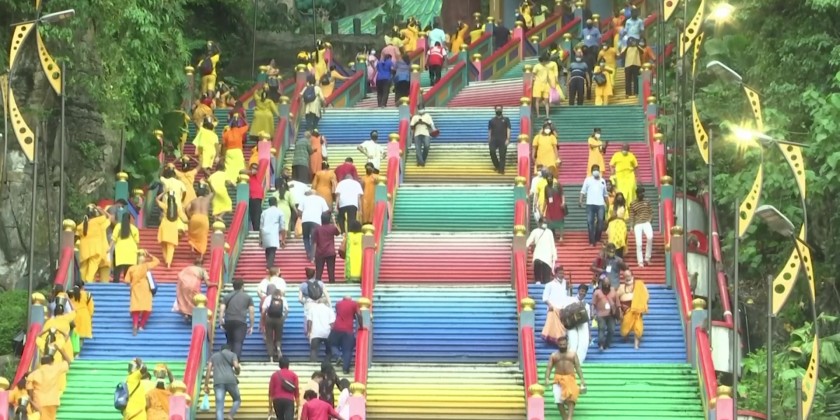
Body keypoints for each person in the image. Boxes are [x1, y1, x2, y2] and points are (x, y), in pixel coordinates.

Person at [26, 344, 71, 420]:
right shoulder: (56, 369)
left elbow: (30, 390)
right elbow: (68, 362)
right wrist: (59, 349)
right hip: (53, 402)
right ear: (52, 362)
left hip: (39, 402)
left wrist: (31, 403)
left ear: (41, 363)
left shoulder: (33, 374)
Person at [544, 337, 585, 420]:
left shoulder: (573, 354)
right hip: (558, 380)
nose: (562, 346)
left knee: (571, 398)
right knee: (558, 400)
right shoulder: (554, 355)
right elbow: (549, 368)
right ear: (558, 345)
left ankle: (569, 418)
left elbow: (577, 367)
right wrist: (547, 378)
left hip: (570, 379)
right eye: (560, 345)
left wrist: (582, 379)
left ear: (567, 344)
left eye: (564, 344)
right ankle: (564, 418)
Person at [124, 250, 159, 336]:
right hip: (145, 289)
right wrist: (150, 255)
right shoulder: (146, 266)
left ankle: (135, 325)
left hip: (135, 289)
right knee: (147, 308)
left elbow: (127, 281)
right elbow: (157, 261)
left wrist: (133, 282)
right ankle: (141, 326)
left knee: (136, 308)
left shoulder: (131, 268)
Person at [203, 345, 242, 420]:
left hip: (218, 382)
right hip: (231, 380)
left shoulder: (214, 356)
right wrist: (238, 371)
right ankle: (230, 415)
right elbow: (236, 366)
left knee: (219, 407)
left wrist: (206, 385)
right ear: (229, 349)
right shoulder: (232, 355)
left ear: (220, 350)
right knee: (237, 399)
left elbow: (208, 369)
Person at [220, 279, 255, 359]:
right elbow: (251, 312)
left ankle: (228, 359)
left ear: (233, 287)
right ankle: (235, 360)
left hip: (228, 321)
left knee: (229, 341)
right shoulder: (248, 297)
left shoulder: (226, 296)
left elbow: (222, 310)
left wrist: (221, 322)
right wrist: (251, 325)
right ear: (242, 286)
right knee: (238, 342)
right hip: (240, 322)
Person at [77, 204, 111, 282]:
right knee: (92, 268)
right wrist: (98, 209)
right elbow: (107, 217)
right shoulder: (99, 222)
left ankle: (82, 282)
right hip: (96, 250)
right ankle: (88, 282)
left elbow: (77, 235)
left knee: (84, 268)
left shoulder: (81, 225)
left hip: (84, 250)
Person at [617, 270, 649, 349]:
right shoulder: (621, 287)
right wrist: (619, 310)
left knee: (638, 326)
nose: (627, 278)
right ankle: (625, 337)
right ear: (623, 277)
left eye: (628, 276)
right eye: (625, 276)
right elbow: (616, 298)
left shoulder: (640, 285)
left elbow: (646, 296)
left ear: (632, 275)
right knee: (624, 330)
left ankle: (636, 344)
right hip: (626, 310)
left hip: (637, 310)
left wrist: (641, 304)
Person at [579, 164, 609, 247]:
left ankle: (597, 238)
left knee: (600, 222)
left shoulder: (602, 181)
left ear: (599, 171)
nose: (596, 171)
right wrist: (580, 201)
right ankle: (592, 241)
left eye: (597, 169)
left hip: (600, 205)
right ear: (592, 171)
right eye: (594, 169)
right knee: (590, 222)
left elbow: (605, 194)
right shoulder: (588, 180)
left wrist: (608, 204)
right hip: (590, 204)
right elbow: (583, 191)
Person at [330, 295, 361, 374]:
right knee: (347, 350)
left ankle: (338, 356)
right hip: (348, 330)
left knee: (332, 344)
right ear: (350, 299)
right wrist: (361, 325)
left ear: (343, 299)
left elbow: (340, 313)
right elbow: (358, 315)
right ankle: (345, 369)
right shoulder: (354, 304)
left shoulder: (338, 304)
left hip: (336, 328)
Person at [541, 266, 571, 343]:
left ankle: (561, 340)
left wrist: (570, 288)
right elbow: (545, 298)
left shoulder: (566, 283)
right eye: (560, 273)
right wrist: (550, 305)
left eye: (563, 273)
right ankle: (554, 339)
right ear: (556, 274)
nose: (562, 275)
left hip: (563, 308)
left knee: (562, 326)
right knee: (553, 326)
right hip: (553, 308)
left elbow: (568, 296)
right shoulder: (549, 284)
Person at [299, 189, 330, 261]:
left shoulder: (304, 199)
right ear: (316, 193)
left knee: (306, 237)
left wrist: (301, 216)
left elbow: (299, 211)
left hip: (305, 220)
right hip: (316, 220)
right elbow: (326, 211)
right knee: (314, 239)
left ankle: (308, 253)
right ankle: (312, 256)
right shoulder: (321, 199)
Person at [185, 183, 213, 263]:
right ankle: (201, 256)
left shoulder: (193, 201)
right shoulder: (207, 199)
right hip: (204, 218)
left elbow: (187, 209)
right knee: (203, 237)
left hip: (195, 217)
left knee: (192, 235)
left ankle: (193, 246)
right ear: (204, 193)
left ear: (196, 193)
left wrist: (190, 216)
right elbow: (212, 192)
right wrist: (208, 185)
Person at [592, 276, 620, 351]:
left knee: (612, 330)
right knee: (601, 329)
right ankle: (601, 344)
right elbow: (593, 304)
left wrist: (619, 314)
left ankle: (607, 344)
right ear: (602, 284)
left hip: (611, 315)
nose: (607, 285)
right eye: (605, 283)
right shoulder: (597, 292)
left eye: (608, 283)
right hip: (600, 315)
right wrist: (592, 313)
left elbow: (618, 304)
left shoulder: (614, 292)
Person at [312, 213, 341, 283]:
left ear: (321, 219)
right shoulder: (332, 228)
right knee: (331, 272)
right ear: (329, 220)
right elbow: (339, 232)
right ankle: (332, 285)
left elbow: (315, 243)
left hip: (320, 253)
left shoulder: (317, 229)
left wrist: (313, 255)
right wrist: (334, 222)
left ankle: (317, 286)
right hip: (330, 252)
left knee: (319, 272)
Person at [262, 286, 289, 362]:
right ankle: (278, 348)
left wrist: (263, 320)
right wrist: (284, 318)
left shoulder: (268, 298)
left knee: (269, 338)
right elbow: (287, 310)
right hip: (279, 319)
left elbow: (263, 310)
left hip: (269, 319)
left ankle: (271, 357)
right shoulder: (283, 299)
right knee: (278, 337)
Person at [111, 212, 140, 281]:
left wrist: (109, 248)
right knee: (128, 272)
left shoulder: (118, 226)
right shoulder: (134, 229)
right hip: (131, 252)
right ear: (129, 219)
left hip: (119, 251)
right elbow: (137, 242)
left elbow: (113, 239)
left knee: (117, 271)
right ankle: (127, 284)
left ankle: (116, 283)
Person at [261, 196, 288, 269]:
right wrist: (283, 239)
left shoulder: (264, 212)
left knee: (267, 249)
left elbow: (261, 226)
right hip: (273, 233)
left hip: (265, 232)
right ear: (276, 203)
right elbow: (282, 226)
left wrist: (260, 238)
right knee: (272, 250)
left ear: (269, 203)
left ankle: (269, 264)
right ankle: (269, 266)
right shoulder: (279, 212)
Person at [526, 219, 556, 284]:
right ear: (539, 223)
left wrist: (554, 256)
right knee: (537, 271)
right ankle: (537, 282)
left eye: (546, 222)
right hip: (538, 254)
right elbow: (528, 242)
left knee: (546, 278)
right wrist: (522, 247)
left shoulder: (549, 232)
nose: (545, 224)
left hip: (547, 256)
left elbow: (552, 245)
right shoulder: (535, 231)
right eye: (544, 222)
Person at [629, 187, 653, 267]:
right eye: (640, 193)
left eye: (642, 193)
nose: (641, 194)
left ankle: (647, 258)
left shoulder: (647, 201)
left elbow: (651, 212)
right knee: (639, 243)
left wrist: (650, 220)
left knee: (650, 237)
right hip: (637, 224)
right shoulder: (633, 203)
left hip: (646, 222)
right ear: (637, 194)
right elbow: (631, 215)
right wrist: (631, 226)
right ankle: (640, 262)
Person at [566, 284, 591, 363]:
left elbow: (588, 320)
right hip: (572, 324)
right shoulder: (571, 300)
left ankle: (579, 362)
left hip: (583, 325)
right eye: (582, 291)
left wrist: (589, 333)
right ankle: (570, 362)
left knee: (583, 344)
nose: (583, 293)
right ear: (578, 291)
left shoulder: (587, 306)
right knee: (572, 344)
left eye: (585, 292)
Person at [307, 297, 336, 362]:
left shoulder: (312, 309)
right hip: (327, 333)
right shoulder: (329, 310)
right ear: (326, 303)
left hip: (315, 333)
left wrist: (309, 331)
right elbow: (332, 324)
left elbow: (309, 321)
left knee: (314, 350)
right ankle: (326, 363)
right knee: (329, 351)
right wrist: (333, 334)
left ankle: (313, 364)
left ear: (318, 302)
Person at [222, 114, 249, 182]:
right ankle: (239, 179)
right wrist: (242, 117)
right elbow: (248, 125)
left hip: (229, 151)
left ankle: (229, 180)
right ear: (238, 125)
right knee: (239, 166)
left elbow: (224, 144)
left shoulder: (226, 133)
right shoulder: (240, 130)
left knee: (229, 167)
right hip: (238, 151)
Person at [532, 53, 559, 118]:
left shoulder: (546, 67)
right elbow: (533, 75)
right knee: (538, 99)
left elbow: (548, 77)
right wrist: (534, 79)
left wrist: (552, 85)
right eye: (546, 61)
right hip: (538, 84)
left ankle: (547, 115)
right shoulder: (536, 66)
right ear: (543, 60)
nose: (547, 62)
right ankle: (538, 114)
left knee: (546, 100)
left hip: (546, 85)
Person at [542, 172, 566, 241]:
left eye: (550, 179)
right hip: (550, 207)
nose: (549, 180)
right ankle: (553, 236)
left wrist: (563, 202)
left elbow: (562, 195)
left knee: (560, 221)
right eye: (548, 179)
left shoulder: (557, 185)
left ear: (552, 179)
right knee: (549, 221)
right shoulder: (546, 188)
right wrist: (543, 210)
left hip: (558, 206)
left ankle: (561, 237)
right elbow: (546, 199)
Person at [488, 106, 511, 174]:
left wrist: (508, 139)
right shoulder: (491, 120)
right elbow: (489, 130)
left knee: (502, 155)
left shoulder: (506, 119)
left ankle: (501, 170)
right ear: (495, 110)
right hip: (493, 139)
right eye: (497, 109)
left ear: (502, 110)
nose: (498, 110)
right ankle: (497, 166)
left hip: (503, 139)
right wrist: (489, 139)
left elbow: (508, 129)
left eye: (500, 109)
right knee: (492, 152)